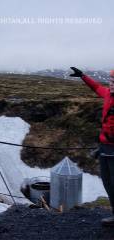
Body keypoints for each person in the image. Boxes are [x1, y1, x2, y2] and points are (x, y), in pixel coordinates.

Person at [70, 67, 114, 226]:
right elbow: (96, 87)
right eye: (111, 80)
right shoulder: (108, 94)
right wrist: (83, 76)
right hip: (104, 147)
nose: (112, 83)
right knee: (108, 183)